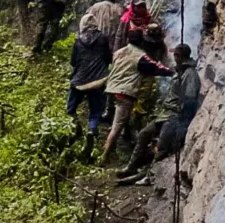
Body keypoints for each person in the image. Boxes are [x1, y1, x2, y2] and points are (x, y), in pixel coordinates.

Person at [120, 42, 200, 180]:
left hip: (175, 115)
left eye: (176, 55)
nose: (174, 57)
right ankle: (131, 167)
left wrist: (182, 119)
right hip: (164, 113)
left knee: (162, 147)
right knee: (144, 134)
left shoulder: (190, 74)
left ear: (181, 56)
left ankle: (149, 175)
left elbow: (190, 98)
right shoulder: (178, 71)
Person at [101, 25, 171, 165]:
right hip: (125, 92)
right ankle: (104, 157)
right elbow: (155, 68)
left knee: (124, 119)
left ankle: (127, 140)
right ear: (142, 41)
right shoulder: (140, 56)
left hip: (111, 88)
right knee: (117, 126)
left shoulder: (119, 51)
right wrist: (172, 72)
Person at [67, 23, 112, 151]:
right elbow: (108, 58)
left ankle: (76, 129)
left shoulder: (78, 40)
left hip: (79, 81)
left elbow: (73, 62)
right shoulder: (103, 39)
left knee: (70, 109)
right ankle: (91, 130)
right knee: (96, 111)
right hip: (98, 81)